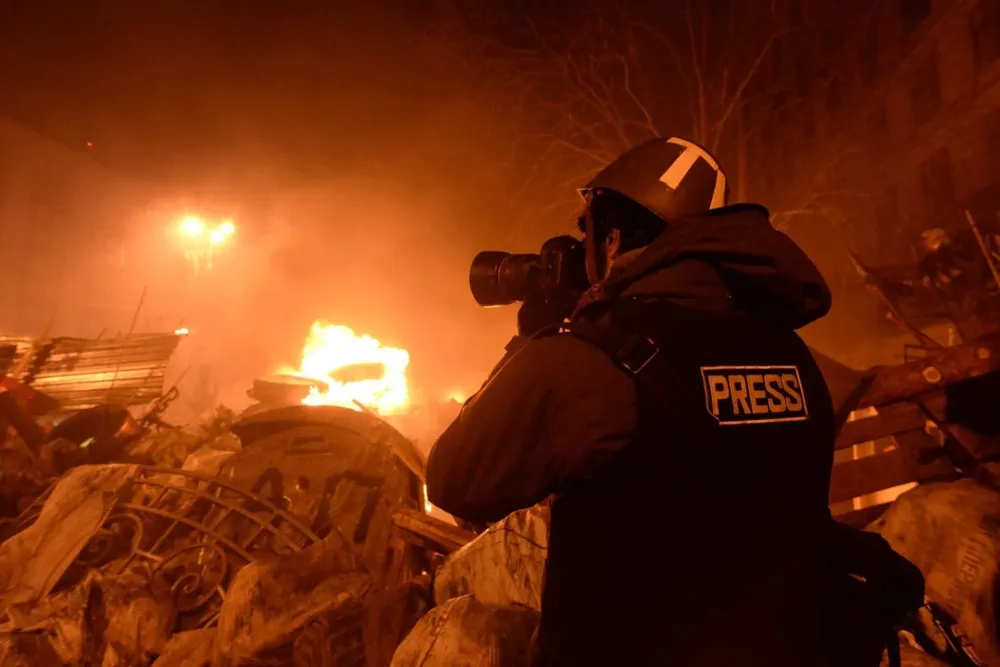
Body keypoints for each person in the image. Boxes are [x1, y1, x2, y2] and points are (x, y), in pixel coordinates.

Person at [425, 137, 922, 666]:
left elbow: (456, 479)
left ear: (612, 239)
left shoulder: (583, 363)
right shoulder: (795, 356)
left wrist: (535, 339)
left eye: (586, 230)